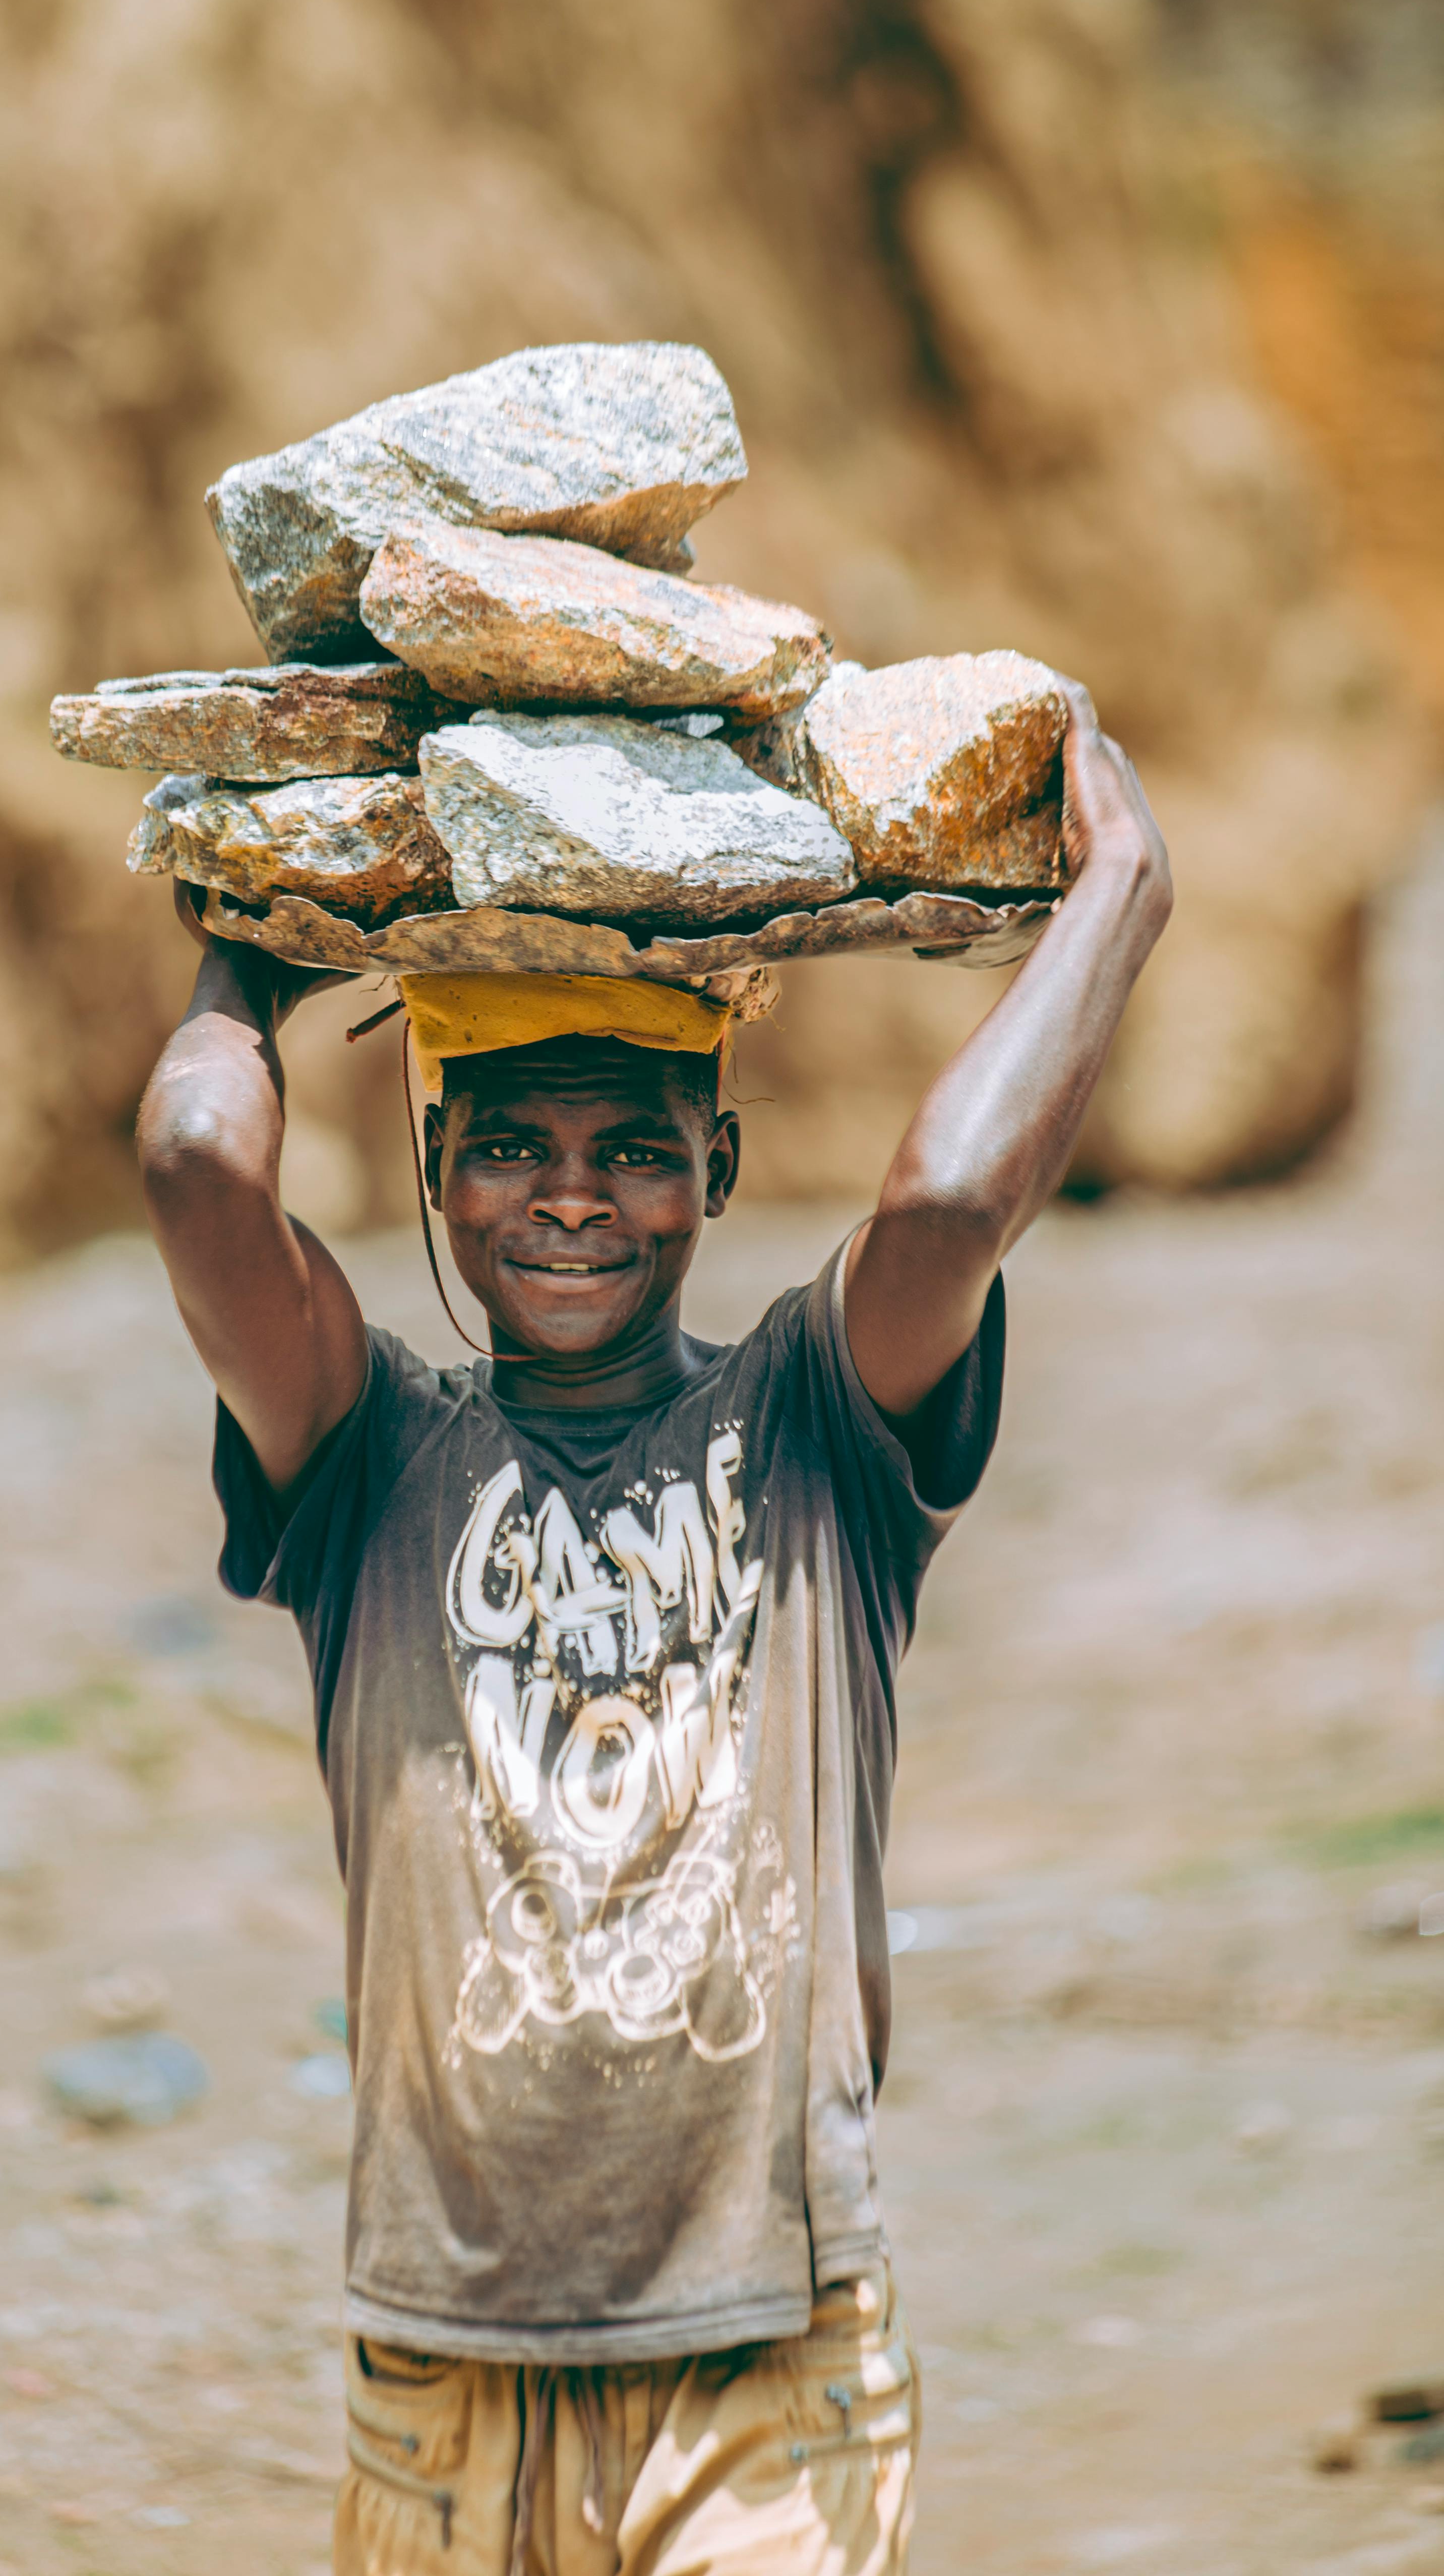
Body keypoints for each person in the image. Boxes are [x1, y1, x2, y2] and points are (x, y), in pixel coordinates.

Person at [137, 686, 1171, 2576]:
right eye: (513, 1143)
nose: (571, 1199)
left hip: (773, 2347)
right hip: (442, 2363)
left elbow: (948, 1196)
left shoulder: (808, 1429)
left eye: (633, 1146)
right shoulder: (367, 1452)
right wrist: (257, 928)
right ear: (437, 1165)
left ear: (720, 1168)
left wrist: (1118, 893)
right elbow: (204, 1170)